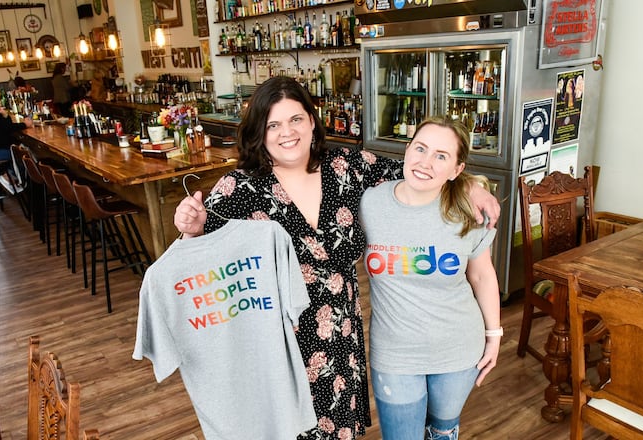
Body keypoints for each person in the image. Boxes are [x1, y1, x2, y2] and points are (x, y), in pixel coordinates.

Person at [173, 76, 500, 439]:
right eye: (274, 124)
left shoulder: (346, 166)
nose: (287, 132)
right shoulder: (241, 187)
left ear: (312, 121)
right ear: (260, 132)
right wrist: (192, 227)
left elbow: (418, 172)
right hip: (279, 341)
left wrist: (472, 184)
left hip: (340, 337)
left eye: (296, 119)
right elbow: (197, 257)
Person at [359, 115, 500, 440]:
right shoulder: (370, 203)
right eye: (420, 148)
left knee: (442, 431)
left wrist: (494, 336)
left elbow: (482, 276)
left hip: (457, 350)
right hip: (395, 352)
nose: (426, 162)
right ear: (407, 150)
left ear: (456, 170)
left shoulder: (469, 210)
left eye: (441, 156)